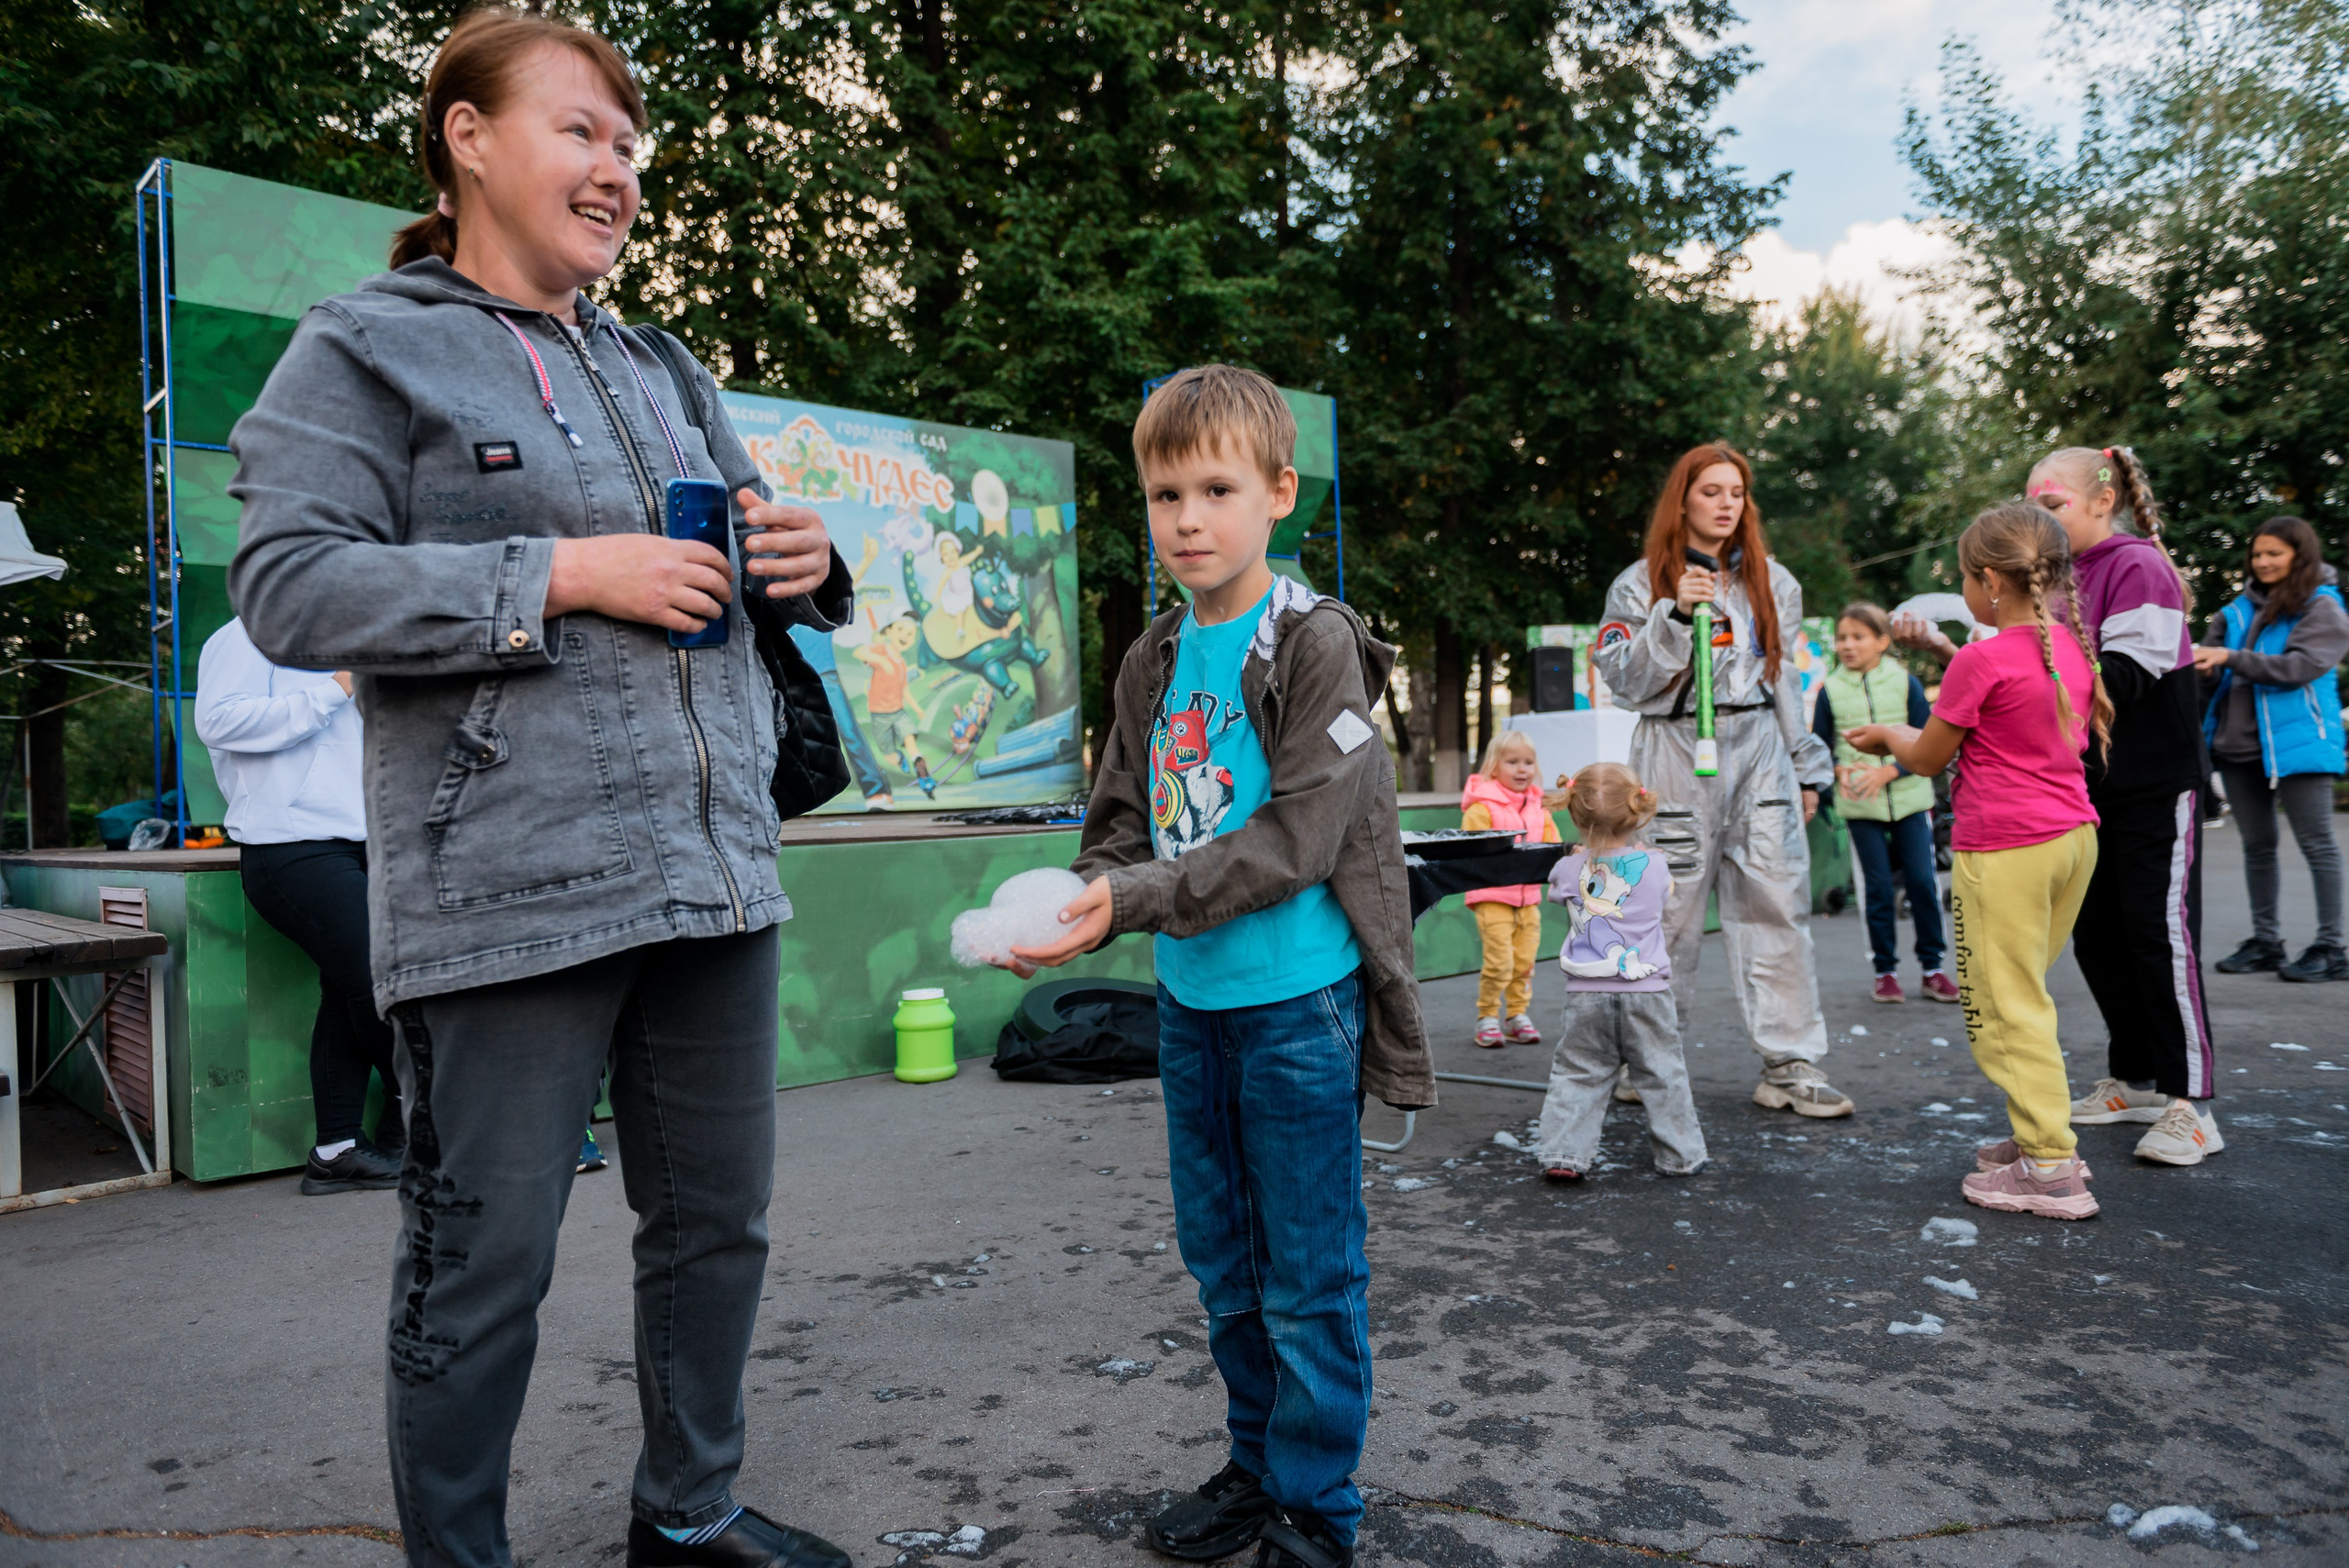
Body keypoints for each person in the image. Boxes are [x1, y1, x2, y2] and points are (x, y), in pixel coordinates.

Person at [225, 10, 854, 1567]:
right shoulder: (364, 346)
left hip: (711, 870)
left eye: (629, 145)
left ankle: (689, 1514)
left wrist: (806, 558)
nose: (617, 168)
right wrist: (563, 572)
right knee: (482, 1257)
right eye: (581, 130)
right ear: (468, 137)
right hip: (504, 885)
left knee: (716, 1229)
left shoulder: (658, 363)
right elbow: (290, 586)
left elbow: (737, 562)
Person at [1004, 363, 1430, 1568]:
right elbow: (1118, 818)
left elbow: (1297, 842)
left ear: (1278, 493)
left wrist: (1130, 898)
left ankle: (1315, 1508)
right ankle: (1256, 1466)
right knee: (1225, 1265)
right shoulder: (1151, 658)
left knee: (1307, 1275)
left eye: (1216, 490)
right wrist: (1082, 900)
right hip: (1191, 1009)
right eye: (1164, 494)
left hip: (1300, 1010)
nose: (1187, 518)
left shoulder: (1318, 642)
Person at [1845, 503, 2108, 1220]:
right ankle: (2037, 1134)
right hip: (2072, 838)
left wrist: (1889, 734)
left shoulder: (1980, 659)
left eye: (1964, 577)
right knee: (2024, 993)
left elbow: (1928, 756)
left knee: (2004, 1006)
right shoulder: (2068, 646)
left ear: (1990, 581)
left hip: (2006, 847)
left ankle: (2050, 1165)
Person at [1591, 444, 1854, 1118]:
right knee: (1663, 909)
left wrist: (1805, 766)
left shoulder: (1773, 581)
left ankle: (1789, 1062)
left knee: (1777, 905)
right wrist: (1676, 615)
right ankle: (1645, 1057)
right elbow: (1623, 682)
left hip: (1759, 749)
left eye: (1736, 492)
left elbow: (1783, 679)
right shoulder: (1639, 582)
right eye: (1711, 491)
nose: (1726, 504)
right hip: (1673, 750)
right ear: (1682, 500)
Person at [2026, 448, 2221, 1165]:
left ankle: (2190, 1104)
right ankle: (2135, 1078)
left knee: (2157, 934)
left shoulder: (2137, 564)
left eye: (2053, 505)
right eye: (2031, 508)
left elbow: (2125, 675)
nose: (2041, 520)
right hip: (2088, 788)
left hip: (2153, 784)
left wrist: (2024, 677)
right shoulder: (2054, 576)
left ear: (2103, 500)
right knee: (2099, 935)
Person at [195, 617, 404, 1195]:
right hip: (289, 844)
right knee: (378, 979)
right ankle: (421, 1108)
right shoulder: (248, 633)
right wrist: (336, 687)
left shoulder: (356, 633)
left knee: (346, 990)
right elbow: (218, 720)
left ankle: (337, 1150)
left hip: (366, 839)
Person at [1534, 762, 1707, 1182]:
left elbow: (1558, 893)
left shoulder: (1567, 869)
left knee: (1579, 1071)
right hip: (1647, 991)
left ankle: (1563, 1154)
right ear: (1637, 812)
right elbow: (1665, 894)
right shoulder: (1655, 864)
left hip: (1586, 992)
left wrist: (1580, 859)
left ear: (1575, 815)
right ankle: (1679, 1155)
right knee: (1663, 1073)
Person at [2195, 517, 2347, 982]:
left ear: (2299, 555)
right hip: (2238, 746)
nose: (2262, 562)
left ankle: (2332, 948)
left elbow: (2299, 667)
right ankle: (2266, 942)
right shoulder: (2233, 613)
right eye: (2257, 554)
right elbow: (2209, 676)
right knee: (2257, 846)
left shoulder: (2322, 606)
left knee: (2317, 845)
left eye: (2274, 553)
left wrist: (2230, 657)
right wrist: (2206, 671)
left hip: (2299, 742)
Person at [1811, 603, 1954, 1005]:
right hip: (1860, 807)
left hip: (1911, 802)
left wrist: (1889, 771)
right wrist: (1837, 771)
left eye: (1858, 637)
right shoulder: (1829, 691)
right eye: (1842, 638)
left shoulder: (1906, 683)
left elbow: (1929, 740)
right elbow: (1819, 749)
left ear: (1882, 641)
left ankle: (1933, 970)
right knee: (1875, 890)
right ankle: (1884, 972)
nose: (1847, 645)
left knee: (1923, 883)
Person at [1461, 729, 1561, 1048]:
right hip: (1492, 896)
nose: (1522, 769)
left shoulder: (1539, 807)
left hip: (1528, 898)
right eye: (1513, 762)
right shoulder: (1482, 808)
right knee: (1499, 963)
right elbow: (1472, 853)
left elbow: (1552, 847)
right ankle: (1487, 1016)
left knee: (1524, 963)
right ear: (1494, 767)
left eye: (1528, 762)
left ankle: (1517, 1014)